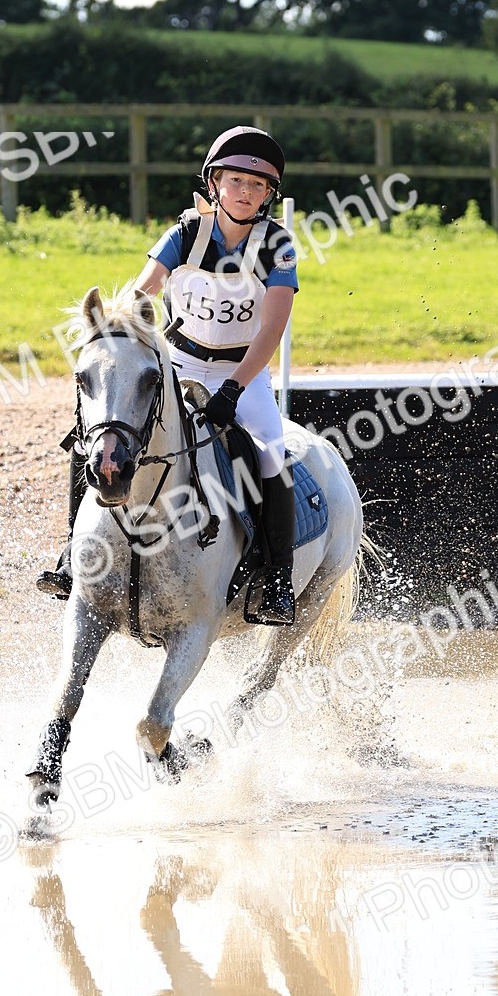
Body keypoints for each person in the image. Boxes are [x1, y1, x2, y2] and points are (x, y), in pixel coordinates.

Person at [37, 125, 299, 624]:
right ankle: (73, 555)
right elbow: (144, 294)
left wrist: (234, 388)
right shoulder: (183, 234)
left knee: (268, 451)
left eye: (258, 186)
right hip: (177, 363)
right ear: (215, 183)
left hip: (244, 367)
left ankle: (279, 580)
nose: (246, 193)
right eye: (236, 181)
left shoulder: (278, 246)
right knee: (90, 440)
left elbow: (272, 331)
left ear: (269, 195)